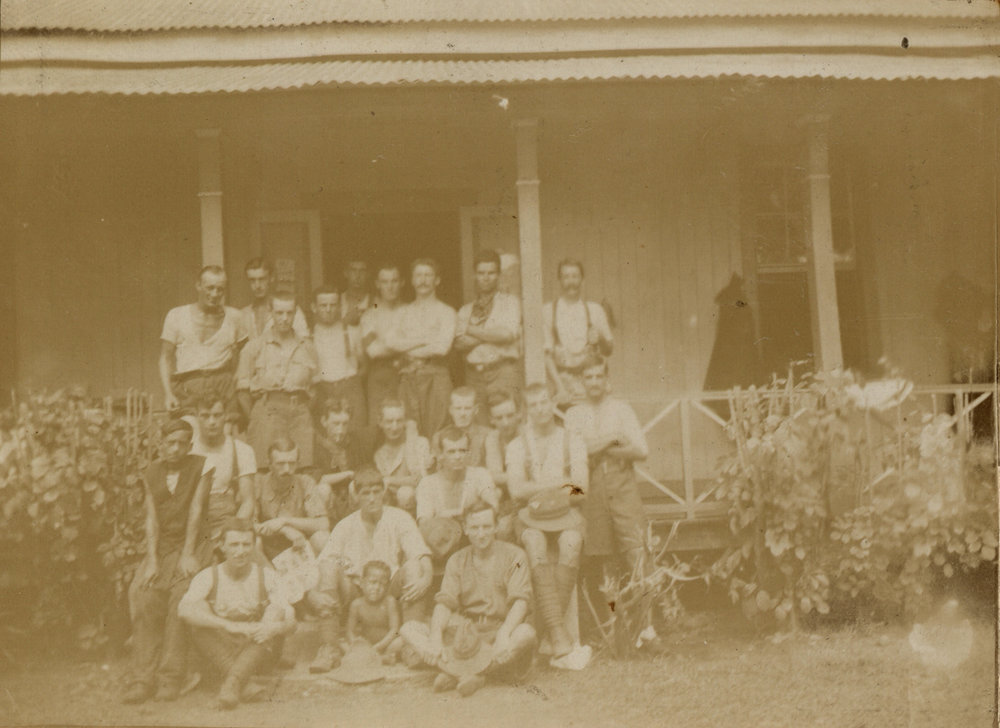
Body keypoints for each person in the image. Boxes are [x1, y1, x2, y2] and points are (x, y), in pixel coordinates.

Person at [564, 357, 665, 652]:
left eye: (598, 376)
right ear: (581, 382)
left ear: (607, 380)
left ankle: (647, 629)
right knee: (605, 560)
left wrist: (598, 447)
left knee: (637, 556)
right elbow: (577, 452)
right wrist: (611, 440)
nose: (594, 382)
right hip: (593, 491)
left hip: (623, 488)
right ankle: (616, 630)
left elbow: (641, 450)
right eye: (588, 377)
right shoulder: (573, 414)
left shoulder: (621, 409)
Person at [400, 500, 536, 697]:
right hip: (465, 634)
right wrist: (437, 636)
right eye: (475, 527)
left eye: (486, 527)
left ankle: (460, 673)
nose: (481, 534)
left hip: (498, 629)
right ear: (465, 528)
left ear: (496, 526)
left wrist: (505, 633)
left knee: (526, 633)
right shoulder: (457, 560)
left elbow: (521, 601)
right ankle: (472, 672)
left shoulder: (515, 556)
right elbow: (445, 603)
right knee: (408, 629)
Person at [122, 419, 213, 704]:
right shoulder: (151, 472)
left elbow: (196, 512)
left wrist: (188, 553)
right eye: (170, 442)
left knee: (180, 596)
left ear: (189, 445)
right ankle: (142, 679)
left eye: (182, 443)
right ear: (161, 444)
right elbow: (151, 518)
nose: (175, 449)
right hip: (162, 547)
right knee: (144, 593)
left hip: (194, 543)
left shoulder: (202, 467)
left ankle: (170, 677)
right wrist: (151, 560)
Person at [313, 468, 433, 672]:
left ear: (384, 492)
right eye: (365, 493)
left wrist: (426, 579)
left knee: (414, 566)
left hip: (389, 591)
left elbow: (421, 554)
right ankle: (329, 647)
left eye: (377, 492)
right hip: (357, 593)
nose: (372, 499)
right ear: (356, 496)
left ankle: (411, 644)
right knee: (328, 567)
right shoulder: (346, 525)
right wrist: (314, 593)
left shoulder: (399, 517)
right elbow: (324, 562)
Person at [505, 383, 589, 660]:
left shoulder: (571, 440)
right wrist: (559, 483)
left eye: (544, 402)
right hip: (530, 516)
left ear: (552, 403)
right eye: (533, 405)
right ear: (526, 411)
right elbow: (516, 490)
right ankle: (557, 634)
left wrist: (542, 487)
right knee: (534, 541)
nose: (540, 409)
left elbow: (581, 488)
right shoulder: (518, 445)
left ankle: (548, 633)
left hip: (565, 514)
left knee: (571, 541)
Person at [178, 518, 295, 710]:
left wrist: (275, 628)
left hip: (258, 652)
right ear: (222, 546)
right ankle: (241, 683)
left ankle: (232, 683)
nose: (240, 551)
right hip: (220, 649)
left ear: (254, 546)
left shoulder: (266, 576)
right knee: (198, 611)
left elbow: (292, 620)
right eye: (234, 544)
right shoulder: (209, 576)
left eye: (246, 544)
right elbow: (183, 610)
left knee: (275, 611)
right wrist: (227, 625)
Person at [236, 294, 319, 468]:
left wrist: (301, 410)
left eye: (289, 313)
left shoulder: (308, 347)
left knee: (303, 469)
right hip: (267, 413)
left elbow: (315, 388)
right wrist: (255, 417)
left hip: (299, 416)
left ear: (295, 313)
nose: (284, 318)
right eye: (279, 313)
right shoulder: (254, 347)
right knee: (264, 469)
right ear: (270, 312)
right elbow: (242, 391)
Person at [159, 265, 248, 415]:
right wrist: (168, 394)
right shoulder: (177, 315)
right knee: (189, 434)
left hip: (222, 387)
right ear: (198, 285)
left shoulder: (235, 317)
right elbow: (165, 358)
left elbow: (247, 352)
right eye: (210, 288)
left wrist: (237, 377)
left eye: (220, 289)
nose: (215, 294)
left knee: (225, 435)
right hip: (188, 387)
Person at [386, 258, 456, 437]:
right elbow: (391, 343)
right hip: (408, 377)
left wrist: (407, 345)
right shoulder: (402, 312)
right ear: (411, 280)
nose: (423, 280)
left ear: (437, 280)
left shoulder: (447, 312)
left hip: (436, 376)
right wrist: (425, 339)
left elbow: (442, 348)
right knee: (409, 432)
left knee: (439, 433)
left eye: (428, 275)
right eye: (418, 275)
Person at [455, 249, 522, 424]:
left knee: (507, 423)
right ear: (475, 276)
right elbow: (459, 344)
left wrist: (470, 329)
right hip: (474, 375)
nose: (486, 277)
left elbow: (507, 335)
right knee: (478, 425)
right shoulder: (466, 310)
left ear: (498, 275)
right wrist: (491, 334)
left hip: (502, 371)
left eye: (491, 273)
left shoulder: (510, 303)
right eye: (481, 273)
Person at [542, 259, 613, 407]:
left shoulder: (595, 310)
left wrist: (599, 337)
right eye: (566, 277)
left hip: (592, 382)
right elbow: (546, 355)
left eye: (575, 276)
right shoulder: (549, 311)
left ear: (582, 279)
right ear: (559, 280)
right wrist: (560, 389)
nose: (571, 282)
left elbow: (609, 350)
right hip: (562, 383)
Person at [189, 396, 256, 546]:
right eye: (205, 416)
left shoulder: (242, 450)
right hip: (192, 525)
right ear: (196, 416)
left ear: (225, 416)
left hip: (228, 524)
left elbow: (248, 502)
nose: (212, 422)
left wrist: (230, 534)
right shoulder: (188, 450)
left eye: (217, 415)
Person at [253, 438, 330, 561]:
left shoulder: (305, 482)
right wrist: (284, 530)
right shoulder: (259, 483)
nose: (287, 469)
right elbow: (248, 524)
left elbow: (323, 523)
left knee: (322, 537)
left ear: (298, 463)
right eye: (280, 464)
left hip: (299, 545)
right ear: (269, 464)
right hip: (268, 547)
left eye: (291, 463)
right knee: (254, 542)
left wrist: (285, 521)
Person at [312, 284, 367, 428]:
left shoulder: (352, 332)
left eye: (333, 305)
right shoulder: (308, 337)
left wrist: (350, 386)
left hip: (350, 388)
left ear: (339, 307)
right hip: (322, 390)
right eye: (323, 305)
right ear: (314, 307)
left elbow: (364, 365)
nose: (329, 309)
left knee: (356, 432)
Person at [312, 398, 370, 526]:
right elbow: (316, 479)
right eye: (336, 423)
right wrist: (348, 474)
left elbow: (366, 471)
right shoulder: (316, 445)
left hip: (351, 499)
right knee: (323, 489)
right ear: (324, 421)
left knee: (356, 487)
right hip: (329, 500)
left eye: (345, 424)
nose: (341, 429)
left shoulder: (355, 442)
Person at [360, 264, 404, 426]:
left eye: (394, 281)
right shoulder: (371, 315)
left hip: (407, 373)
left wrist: (385, 340)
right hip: (380, 375)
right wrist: (406, 343)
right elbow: (373, 351)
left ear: (402, 283)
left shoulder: (410, 311)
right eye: (385, 282)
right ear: (378, 284)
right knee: (379, 424)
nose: (390, 286)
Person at [372, 398, 432, 512]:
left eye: (399, 421)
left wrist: (390, 480)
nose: (394, 427)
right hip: (390, 505)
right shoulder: (379, 454)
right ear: (380, 422)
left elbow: (420, 480)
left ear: (405, 422)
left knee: (405, 492)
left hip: (417, 503)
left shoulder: (419, 443)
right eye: (389, 421)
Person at [483, 388, 525, 540]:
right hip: (508, 498)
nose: (505, 423)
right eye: (499, 418)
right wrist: (518, 477)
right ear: (491, 419)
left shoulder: (527, 435)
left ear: (519, 414)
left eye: (510, 415)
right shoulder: (492, 438)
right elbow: (494, 475)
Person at [346, 560, 404, 664]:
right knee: (342, 644)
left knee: (399, 642)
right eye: (372, 582)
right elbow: (350, 631)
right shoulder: (357, 604)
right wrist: (355, 644)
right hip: (366, 645)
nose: (377, 588)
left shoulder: (389, 602)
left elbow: (394, 630)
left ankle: (381, 657)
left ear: (387, 586)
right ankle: (380, 659)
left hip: (386, 645)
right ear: (362, 583)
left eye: (382, 584)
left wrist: (379, 646)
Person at [240, 258, 309, 342]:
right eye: (252, 280)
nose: (257, 286)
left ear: (271, 278)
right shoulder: (243, 314)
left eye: (262, 279)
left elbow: (305, 344)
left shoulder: (289, 310)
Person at [429, 387, 492, 468]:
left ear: (476, 410)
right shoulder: (438, 437)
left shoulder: (487, 435)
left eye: (467, 408)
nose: (462, 414)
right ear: (451, 410)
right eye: (458, 408)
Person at [341, 259, 371, 328]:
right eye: (353, 270)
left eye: (362, 271)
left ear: (368, 274)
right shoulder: (336, 301)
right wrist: (346, 321)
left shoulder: (375, 303)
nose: (358, 275)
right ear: (346, 273)